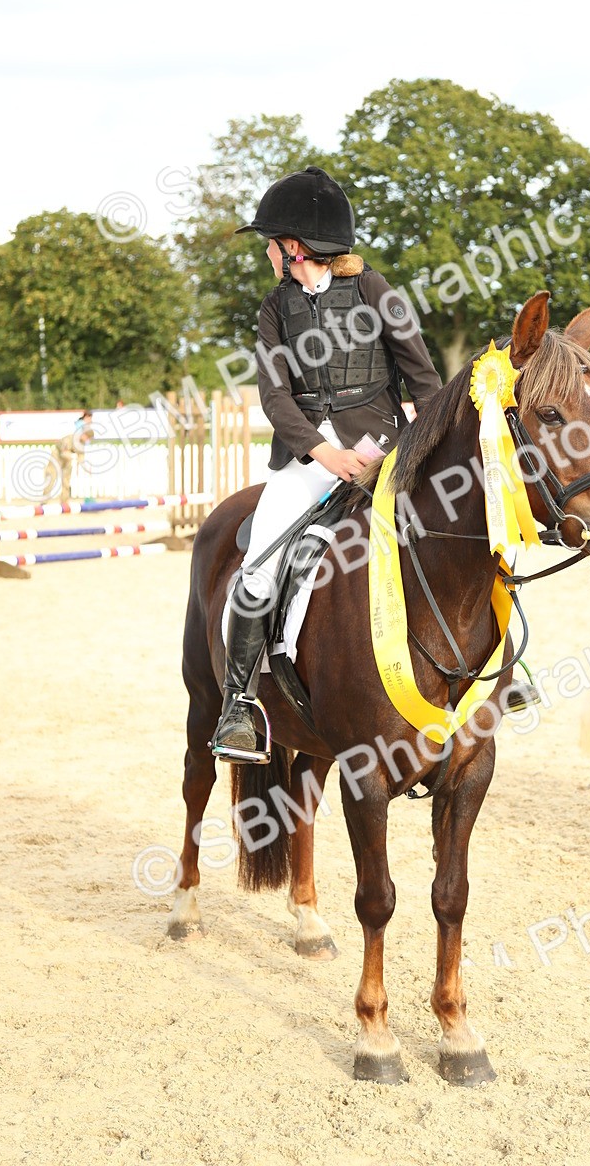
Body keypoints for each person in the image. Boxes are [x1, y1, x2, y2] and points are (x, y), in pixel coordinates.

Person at [211, 166, 444, 762]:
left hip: (384, 447)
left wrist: (417, 446)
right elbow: (274, 397)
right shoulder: (273, 309)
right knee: (258, 566)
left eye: (269, 242)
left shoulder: (374, 291)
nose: (266, 252)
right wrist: (325, 454)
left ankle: (503, 668)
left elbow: (420, 374)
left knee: (461, 525)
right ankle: (240, 705)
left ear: (293, 247)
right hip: (307, 457)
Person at [43, 414, 94, 502]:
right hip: (57, 455)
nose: (87, 440)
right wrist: (73, 457)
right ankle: (44, 501)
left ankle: (64, 501)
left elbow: (81, 458)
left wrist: (86, 469)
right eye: (87, 438)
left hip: (68, 459)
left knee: (66, 480)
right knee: (51, 477)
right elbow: (64, 452)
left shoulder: (81, 445)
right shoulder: (72, 438)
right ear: (83, 435)